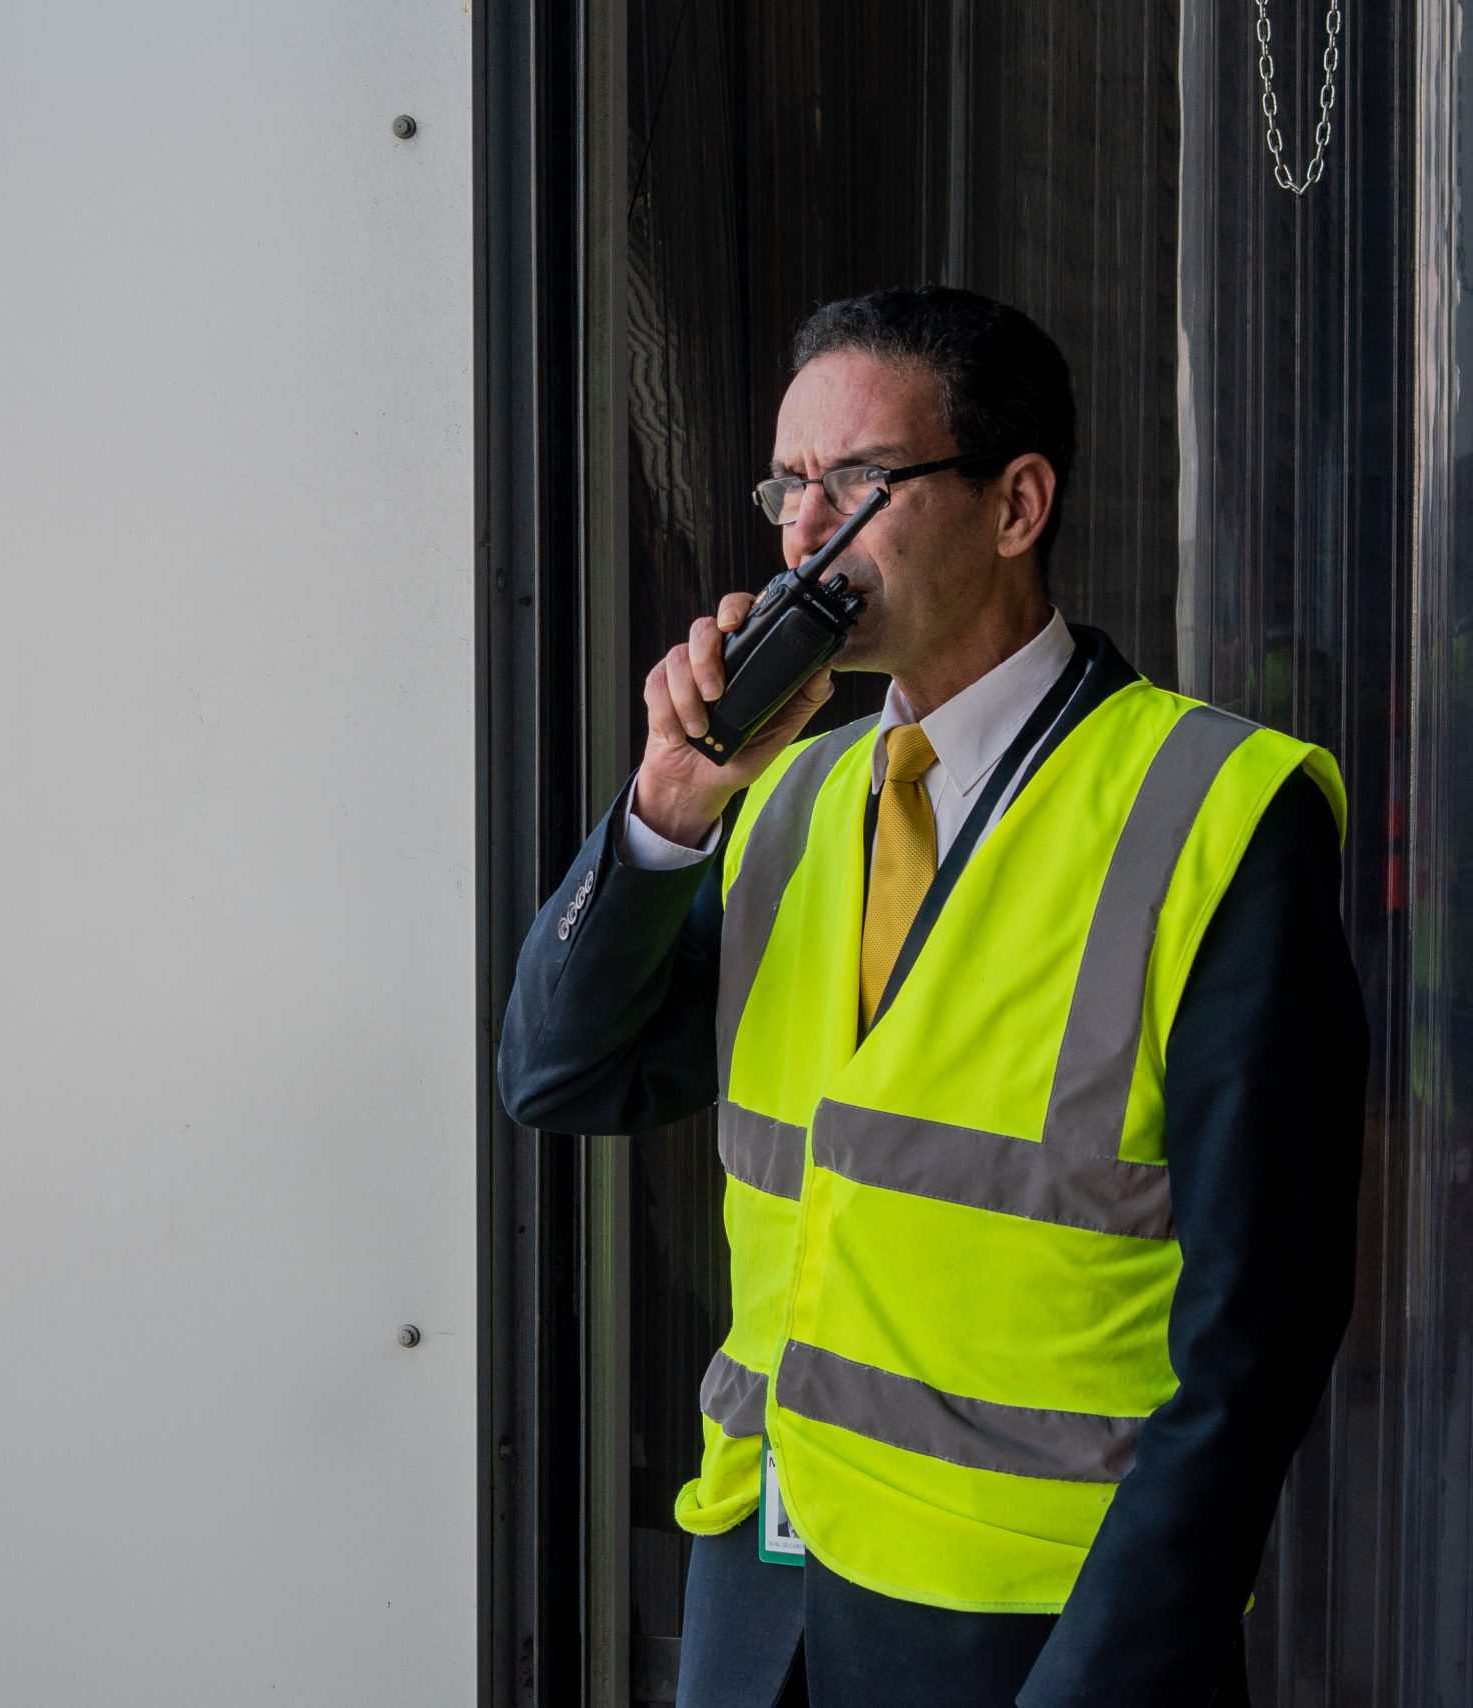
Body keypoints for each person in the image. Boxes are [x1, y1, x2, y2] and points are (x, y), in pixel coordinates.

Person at [497, 286, 1365, 1708]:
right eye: (789, 484)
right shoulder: (788, 797)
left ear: (1016, 505)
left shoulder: (1216, 809)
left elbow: (1258, 1334)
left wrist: (1107, 1674)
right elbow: (560, 1076)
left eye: (855, 482)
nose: (801, 531)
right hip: (759, 1592)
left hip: (1026, 1622)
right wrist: (666, 809)